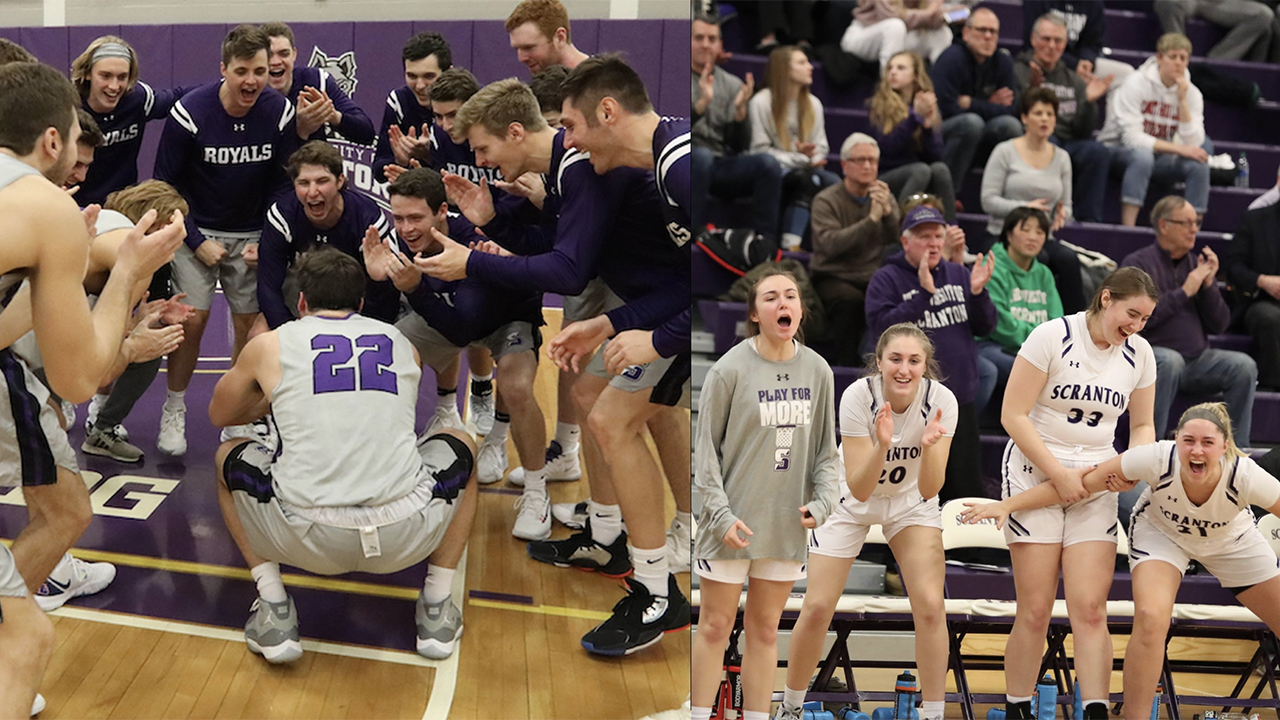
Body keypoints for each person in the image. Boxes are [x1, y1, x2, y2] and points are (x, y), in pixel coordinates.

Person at [434, 78, 692, 654]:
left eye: (480, 148)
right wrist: (494, 224)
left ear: (517, 132)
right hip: (655, 305)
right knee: (589, 398)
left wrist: (472, 263)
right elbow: (570, 247)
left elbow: (570, 270)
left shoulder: (590, 164)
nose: (478, 161)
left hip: (675, 315)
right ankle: (610, 536)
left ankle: (658, 586)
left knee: (614, 421)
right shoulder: (576, 170)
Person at [0, 60, 182, 718]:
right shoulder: (42, 203)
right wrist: (128, 270)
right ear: (53, 140)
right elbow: (81, 379)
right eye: (77, 139)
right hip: (32, 380)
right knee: (24, 639)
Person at [209, 247, 478, 665]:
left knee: (227, 454)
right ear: (361, 303)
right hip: (404, 535)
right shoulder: (400, 342)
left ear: (301, 301)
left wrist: (271, 401)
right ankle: (438, 607)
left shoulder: (271, 344)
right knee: (465, 446)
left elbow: (220, 415)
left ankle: (274, 608)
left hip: (305, 537)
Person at [962, 402, 1280, 720]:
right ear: (1176, 440)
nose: (1196, 451)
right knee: (1151, 617)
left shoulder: (1246, 474)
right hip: (1162, 536)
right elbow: (1080, 486)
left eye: (1207, 443)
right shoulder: (1154, 457)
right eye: (1188, 441)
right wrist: (1009, 505)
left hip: (1230, 542)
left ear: (1225, 446)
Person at [994, 267, 1159, 720]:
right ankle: (1017, 708)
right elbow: (1013, 414)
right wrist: (1056, 473)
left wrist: (1133, 465)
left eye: (1145, 319)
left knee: (1089, 607)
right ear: (1106, 298)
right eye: (1132, 314)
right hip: (1035, 469)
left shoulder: (1140, 354)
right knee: (1035, 608)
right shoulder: (1052, 336)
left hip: (1097, 478)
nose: (1137, 326)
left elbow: (1142, 425)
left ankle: (1095, 710)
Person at [775, 323, 956, 720]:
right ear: (879, 363)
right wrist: (883, 444)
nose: (904, 369)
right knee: (819, 605)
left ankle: (934, 713)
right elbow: (858, 488)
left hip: (910, 503)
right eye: (895, 359)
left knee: (929, 604)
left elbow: (930, 488)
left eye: (914, 361)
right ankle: (789, 707)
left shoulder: (942, 401)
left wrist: (928, 449)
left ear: (925, 367)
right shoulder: (859, 395)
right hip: (849, 500)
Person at [371, 168, 550, 540]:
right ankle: (390, 459)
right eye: (398, 217)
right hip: (450, 312)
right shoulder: (399, 240)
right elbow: (389, 317)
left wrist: (418, 290)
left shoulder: (472, 240)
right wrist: (378, 283)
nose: (405, 228)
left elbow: (465, 331)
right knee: (385, 353)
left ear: (440, 212)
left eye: (415, 218)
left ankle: (536, 490)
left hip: (507, 316)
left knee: (517, 388)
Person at [691, 271, 839, 720]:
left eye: (790, 296)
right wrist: (719, 516)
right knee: (715, 625)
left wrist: (823, 503)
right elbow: (705, 458)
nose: (782, 303)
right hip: (731, 522)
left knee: (765, 630)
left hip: (785, 523)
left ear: (800, 310)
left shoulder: (818, 371)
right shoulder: (729, 370)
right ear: (755, 314)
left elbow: (826, 455)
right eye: (771, 297)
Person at [153, 24, 298, 456]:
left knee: (250, 328)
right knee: (191, 320)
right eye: (241, 71)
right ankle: (174, 407)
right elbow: (166, 185)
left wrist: (269, 236)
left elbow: (283, 184)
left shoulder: (279, 111)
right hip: (195, 228)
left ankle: (240, 416)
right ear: (223, 70)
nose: (251, 81)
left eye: (259, 71)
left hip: (253, 232)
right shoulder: (190, 111)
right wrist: (196, 240)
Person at [864, 205, 996, 500]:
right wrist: (923, 294)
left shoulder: (957, 273)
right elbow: (880, 331)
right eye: (924, 236)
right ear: (905, 241)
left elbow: (986, 325)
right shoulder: (886, 279)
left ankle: (964, 549)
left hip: (959, 402)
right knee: (912, 493)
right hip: (908, 408)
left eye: (938, 235)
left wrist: (977, 294)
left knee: (964, 492)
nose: (934, 243)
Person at [1119, 196, 1256, 446]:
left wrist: (1208, 285)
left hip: (1197, 361)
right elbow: (1137, 321)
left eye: (1197, 223)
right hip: (1153, 357)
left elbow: (1220, 324)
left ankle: (1236, 453)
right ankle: (1149, 449)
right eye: (1186, 223)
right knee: (1169, 361)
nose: (1194, 229)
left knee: (1243, 366)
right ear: (1164, 225)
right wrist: (1186, 290)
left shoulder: (1197, 264)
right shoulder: (1138, 264)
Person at [257, 141, 397, 331]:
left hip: (355, 297)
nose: (313, 192)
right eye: (304, 183)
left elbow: (384, 292)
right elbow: (268, 287)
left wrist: (364, 332)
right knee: (258, 333)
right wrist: (288, 333)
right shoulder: (282, 215)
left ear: (340, 181)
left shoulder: (368, 221)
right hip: (303, 292)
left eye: (322, 181)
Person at [979, 86, 1086, 314]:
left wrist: (1062, 214)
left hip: (1041, 235)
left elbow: (1066, 204)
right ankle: (1034, 325)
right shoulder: (1005, 151)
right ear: (1024, 118)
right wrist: (1024, 208)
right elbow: (988, 200)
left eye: (1050, 114)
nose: (1045, 119)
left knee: (1069, 260)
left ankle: (1077, 329)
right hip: (1004, 234)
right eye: (1038, 113)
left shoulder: (1062, 157)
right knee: (1041, 260)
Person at [1098, 33, 1211, 227]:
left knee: (1198, 164)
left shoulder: (1191, 93)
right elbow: (1132, 138)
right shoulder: (1136, 83)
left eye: (1183, 58)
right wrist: (1179, 149)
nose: (1178, 63)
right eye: (1172, 57)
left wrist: (1182, 102)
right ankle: (1129, 228)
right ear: (1159, 58)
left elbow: (1194, 144)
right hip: (1116, 149)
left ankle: (1192, 228)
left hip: (1159, 156)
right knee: (1143, 156)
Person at [809, 133, 901, 366]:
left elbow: (898, 240)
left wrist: (889, 215)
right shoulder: (826, 200)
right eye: (860, 160)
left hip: (870, 274)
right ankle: (846, 369)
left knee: (898, 298)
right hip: (833, 274)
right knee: (851, 302)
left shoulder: (883, 196)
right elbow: (831, 244)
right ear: (844, 165)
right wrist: (871, 221)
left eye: (872, 161)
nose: (868, 166)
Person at [1013, 13, 1113, 224]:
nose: (1051, 45)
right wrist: (1031, 90)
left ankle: (1090, 222)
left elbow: (1083, 130)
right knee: (1051, 144)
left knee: (1097, 152)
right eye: (1046, 39)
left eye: (1058, 40)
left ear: (1065, 44)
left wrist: (1088, 102)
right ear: (1033, 39)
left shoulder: (1072, 79)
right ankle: (1046, 216)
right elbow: (1014, 117)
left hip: (1070, 141)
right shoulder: (1019, 71)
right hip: (1038, 141)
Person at [70, 35, 191, 206]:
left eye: (122, 77)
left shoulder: (138, 100)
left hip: (121, 206)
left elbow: (182, 97)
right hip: (75, 203)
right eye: (105, 76)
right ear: (88, 73)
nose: (114, 86)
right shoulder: (68, 107)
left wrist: (223, 87)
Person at [692, 13, 782, 242]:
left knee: (768, 164)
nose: (705, 44)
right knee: (701, 157)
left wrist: (741, 113)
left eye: (712, 39)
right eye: (699, 37)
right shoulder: (676, 76)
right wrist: (701, 105)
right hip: (686, 159)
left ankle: (764, 241)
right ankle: (692, 232)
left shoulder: (732, 84)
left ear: (720, 45)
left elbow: (739, 146)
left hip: (718, 164)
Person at [975, 207, 1063, 423]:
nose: (1033, 237)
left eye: (1040, 232)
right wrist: (1037, 338)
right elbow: (998, 323)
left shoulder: (1044, 273)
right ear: (1009, 234)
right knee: (1033, 371)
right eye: (1026, 230)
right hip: (991, 345)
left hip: (1034, 349)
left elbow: (1056, 321)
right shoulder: (992, 267)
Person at [749, 45, 838, 250]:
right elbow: (759, 152)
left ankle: (828, 246)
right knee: (806, 180)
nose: (810, 67)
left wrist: (812, 155)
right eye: (801, 62)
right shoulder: (761, 102)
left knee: (835, 184)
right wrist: (801, 158)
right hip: (775, 171)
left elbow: (822, 146)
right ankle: (791, 244)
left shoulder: (813, 104)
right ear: (784, 69)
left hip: (805, 167)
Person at [928, 7, 1022, 196]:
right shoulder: (951, 59)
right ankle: (945, 195)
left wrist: (972, 103)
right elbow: (944, 108)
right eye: (982, 30)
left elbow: (1011, 110)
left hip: (979, 135)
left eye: (993, 31)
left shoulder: (1003, 61)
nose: (988, 36)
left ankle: (1002, 195)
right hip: (943, 135)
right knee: (971, 123)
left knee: (1010, 126)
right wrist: (989, 104)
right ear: (966, 33)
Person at [868, 51, 955, 220]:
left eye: (901, 68)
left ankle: (951, 230)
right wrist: (915, 118)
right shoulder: (877, 105)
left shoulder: (923, 104)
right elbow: (886, 149)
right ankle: (899, 225)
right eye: (890, 68)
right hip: (886, 174)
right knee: (920, 170)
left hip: (917, 175)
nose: (893, 72)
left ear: (915, 76)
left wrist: (928, 129)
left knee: (940, 169)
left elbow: (934, 156)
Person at [260, 22, 375, 145]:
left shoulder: (316, 81)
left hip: (316, 163)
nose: (276, 61)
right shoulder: (251, 93)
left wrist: (332, 116)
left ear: (294, 54)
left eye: (284, 53)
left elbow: (367, 133)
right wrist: (300, 130)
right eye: (269, 55)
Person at [372, 32, 451, 184]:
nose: (420, 86)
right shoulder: (400, 102)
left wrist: (430, 154)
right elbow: (379, 170)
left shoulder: (469, 102)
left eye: (429, 76)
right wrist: (400, 161)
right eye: (412, 76)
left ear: (449, 73)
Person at [1019, 1, 1134, 101]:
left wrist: (1086, 62)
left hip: (1080, 63)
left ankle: (1113, 126)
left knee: (1126, 74)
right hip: (1044, 60)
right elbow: (1035, 41)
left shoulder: (1093, 3)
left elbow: (1093, 43)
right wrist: (1074, 64)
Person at [1225, 195, 1280, 391]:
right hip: (1261, 301)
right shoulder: (1255, 219)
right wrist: (1262, 281)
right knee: (1270, 318)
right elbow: (1233, 267)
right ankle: (1273, 391)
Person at [840, 0, 954, 71]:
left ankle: (940, 93)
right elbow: (890, 15)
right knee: (895, 26)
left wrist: (957, 14)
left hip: (900, 37)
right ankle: (889, 93)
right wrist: (930, 11)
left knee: (943, 33)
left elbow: (947, 16)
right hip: (862, 35)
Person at [1154, 0, 1273, 62]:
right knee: (1167, 2)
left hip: (1220, 3)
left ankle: (1216, 63)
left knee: (1263, 15)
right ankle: (1178, 57)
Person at [505, 0, 589, 74]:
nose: (521, 58)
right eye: (517, 49)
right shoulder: (541, 87)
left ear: (560, 38)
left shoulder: (599, 84)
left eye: (529, 47)